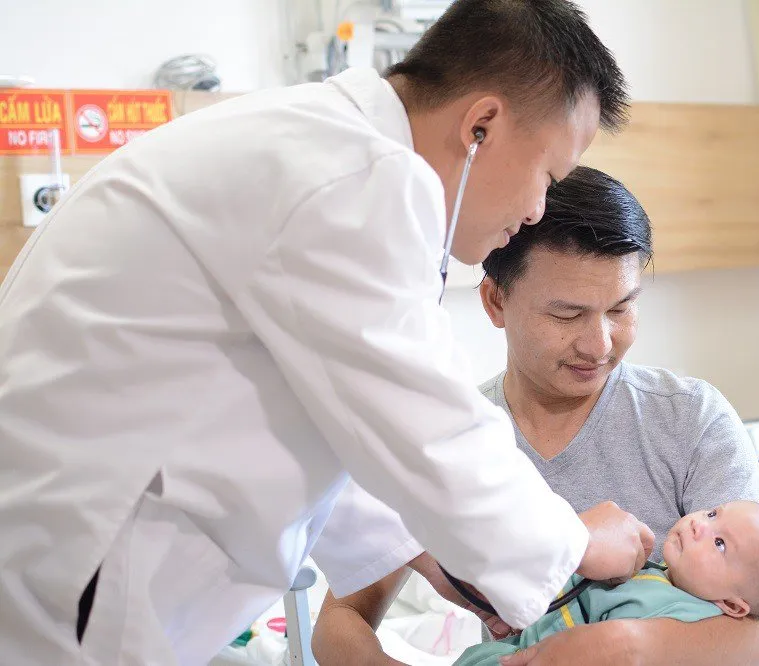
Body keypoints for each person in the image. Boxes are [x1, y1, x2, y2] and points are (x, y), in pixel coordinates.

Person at [0, 2, 655, 664]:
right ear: (480, 124)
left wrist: (430, 552)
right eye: (548, 176)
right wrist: (574, 543)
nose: (538, 209)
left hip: (81, 556)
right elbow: (431, 427)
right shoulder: (356, 175)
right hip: (82, 566)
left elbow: (330, 419)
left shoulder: (322, 150)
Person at [311, 167, 759, 665]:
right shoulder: (450, 438)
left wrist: (616, 646)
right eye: (567, 315)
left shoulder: (689, 418)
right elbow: (340, 620)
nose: (598, 345)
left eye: (621, 309)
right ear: (495, 301)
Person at [454, 501, 759, 665]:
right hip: (522, 639)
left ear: (733, 605)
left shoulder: (678, 616)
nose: (699, 524)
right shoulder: (661, 575)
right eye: (712, 513)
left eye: (720, 543)